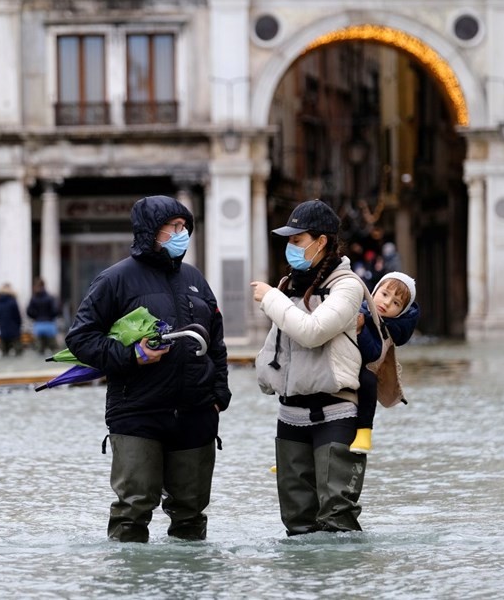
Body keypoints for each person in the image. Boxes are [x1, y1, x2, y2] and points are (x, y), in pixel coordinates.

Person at [64, 195, 230, 543]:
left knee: (191, 511)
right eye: (174, 227)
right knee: (133, 508)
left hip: (196, 413)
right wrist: (131, 355)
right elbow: (80, 338)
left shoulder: (195, 278)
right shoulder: (115, 279)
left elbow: (216, 340)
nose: (181, 233)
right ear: (150, 232)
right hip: (137, 411)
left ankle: (188, 587)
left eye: (185, 227)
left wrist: (218, 394)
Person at [250, 199, 368, 536]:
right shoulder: (289, 285)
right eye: (288, 240)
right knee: (297, 523)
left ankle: (341, 584)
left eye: (297, 240)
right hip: (290, 414)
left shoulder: (348, 286)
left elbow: (313, 332)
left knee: (337, 517)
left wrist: (271, 298)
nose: (290, 247)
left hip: (336, 411)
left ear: (322, 241)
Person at [351, 271, 420, 454]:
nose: (387, 303)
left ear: (401, 312)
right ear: (374, 291)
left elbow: (373, 354)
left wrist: (361, 330)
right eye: (384, 294)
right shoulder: (355, 306)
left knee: (368, 380)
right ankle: (292, 453)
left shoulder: (389, 328)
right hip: (338, 364)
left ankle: (365, 431)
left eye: (396, 303)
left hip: (363, 369)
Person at [27, 278, 60, 355]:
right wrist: (51, 316)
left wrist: (36, 317)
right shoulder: (50, 297)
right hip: (49, 324)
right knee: (54, 349)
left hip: (38, 325)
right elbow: (55, 310)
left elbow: (29, 311)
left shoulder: (34, 298)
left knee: (39, 350)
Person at [0, 283, 23, 356]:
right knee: (18, 352)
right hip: (14, 329)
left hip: (3, 329)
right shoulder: (13, 301)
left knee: (4, 353)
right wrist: (18, 325)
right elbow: (17, 316)